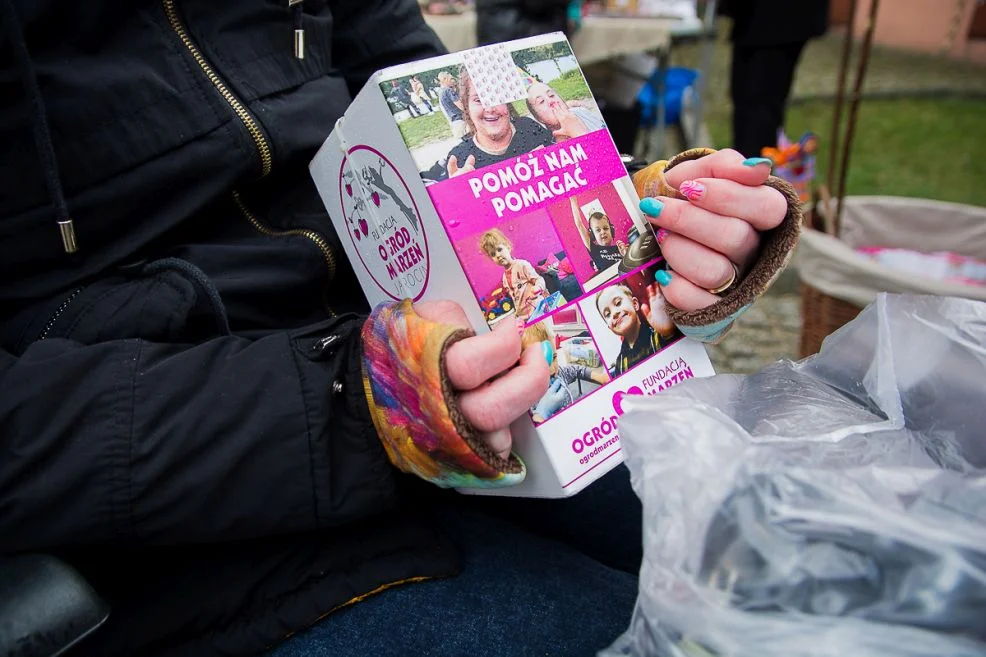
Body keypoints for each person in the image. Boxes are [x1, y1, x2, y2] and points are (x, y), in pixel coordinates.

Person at [0, 0, 799, 652]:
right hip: (177, 504)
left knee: (783, 568)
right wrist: (349, 399)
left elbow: (432, 95)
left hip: (460, 378)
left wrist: (622, 217)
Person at [720, 0, 831, 157]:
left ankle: (753, 171)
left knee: (760, 105)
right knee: (747, 97)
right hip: (756, 17)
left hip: (777, 18)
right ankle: (745, 164)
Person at [446, 68, 555, 178]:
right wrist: (458, 190)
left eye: (496, 98)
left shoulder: (530, 128)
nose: (490, 108)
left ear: (507, 103)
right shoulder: (458, 159)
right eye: (479, 100)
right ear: (467, 107)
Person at [521, 325, 609, 423]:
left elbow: (577, 369)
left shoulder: (560, 373)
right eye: (541, 363)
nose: (552, 370)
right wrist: (541, 415)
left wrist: (600, 377)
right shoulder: (526, 399)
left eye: (554, 358)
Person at [596, 281, 677, 376]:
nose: (614, 313)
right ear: (610, 327)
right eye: (607, 314)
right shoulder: (620, 363)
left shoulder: (660, 336)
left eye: (618, 303)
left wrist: (668, 331)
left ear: (635, 304)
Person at [479, 228, 555, 323]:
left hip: (539, 310)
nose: (498, 255)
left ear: (508, 247)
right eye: (493, 254)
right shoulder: (504, 278)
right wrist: (517, 313)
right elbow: (515, 297)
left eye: (499, 249)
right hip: (525, 317)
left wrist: (538, 288)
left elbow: (539, 279)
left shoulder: (522, 265)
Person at [525, 80, 604, 141]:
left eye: (551, 95)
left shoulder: (582, 112)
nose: (551, 101)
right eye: (541, 101)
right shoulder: (548, 145)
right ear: (539, 118)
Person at [570, 196, 628, 273]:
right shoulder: (594, 250)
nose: (602, 232)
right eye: (598, 230)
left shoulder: (619, 248)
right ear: (593, 235)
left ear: (611, 230)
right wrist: (572, 199)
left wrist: (626, 255)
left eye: (606, 228)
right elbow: (579, 224)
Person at [437, 70, 469, 139]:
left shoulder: (441, 92)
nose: (452, 80)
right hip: (461, 120)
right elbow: (462, 106)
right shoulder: (448, 90)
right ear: (444, 79)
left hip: (454, 121)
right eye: (451, 79)